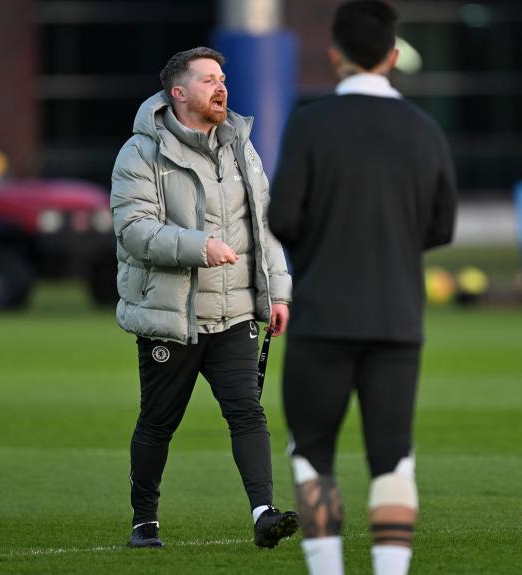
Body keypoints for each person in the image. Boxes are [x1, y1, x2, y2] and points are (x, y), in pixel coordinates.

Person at [268, 2, 457, 574]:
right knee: (393, 460)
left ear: (335, 54)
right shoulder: (424, 130)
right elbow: (441, 228)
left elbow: (283, 219)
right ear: (393, 56)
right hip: (397, 320)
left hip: (323, 318)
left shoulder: (310, 123)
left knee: (313, 457)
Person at [110, 46, 299, 549]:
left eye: (223, 78)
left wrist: (278, 294)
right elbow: (133, 229)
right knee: (158, 423)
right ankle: (144, 522)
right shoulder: (140, 153)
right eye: (208, 80)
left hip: (235, 313)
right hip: (172, 317)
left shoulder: (241, 146)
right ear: (178, 92)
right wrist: (199, 247)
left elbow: (265, 226)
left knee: (247, 412)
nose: (221, 87)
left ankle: (264, 514)